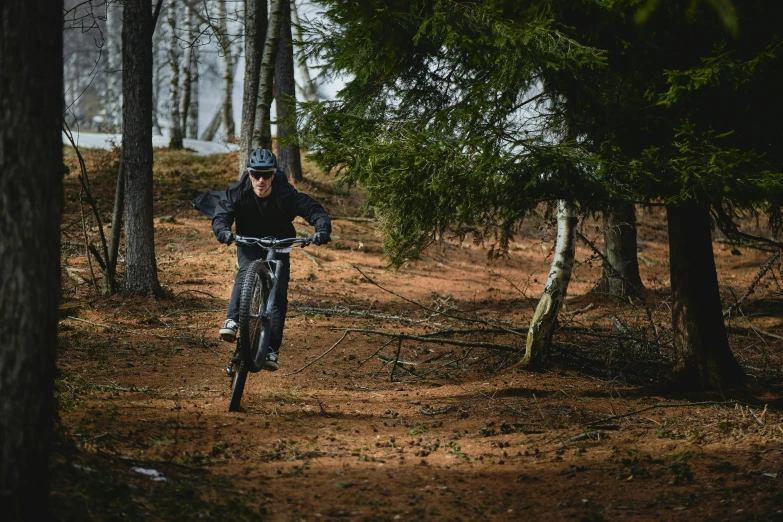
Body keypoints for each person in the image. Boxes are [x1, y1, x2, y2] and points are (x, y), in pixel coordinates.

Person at [192, 148, 331, 372]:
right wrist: (223, 232)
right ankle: (232, 321)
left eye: (266, 175)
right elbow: (221, 214)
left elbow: (313, 209)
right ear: (249, 174)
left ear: (274, 175)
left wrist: (322, 229)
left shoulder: (285, 193)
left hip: (280, 243)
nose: (261, 180)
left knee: (278, 294)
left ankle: (271, 350)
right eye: (256, 174)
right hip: (248, 240)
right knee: (246, 271)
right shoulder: (239, 191)